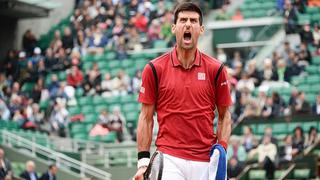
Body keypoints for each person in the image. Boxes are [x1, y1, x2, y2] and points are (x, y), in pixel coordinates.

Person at [134, 2, 232, 180]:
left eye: (193, 21)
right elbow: (146, 117)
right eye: (183, 20)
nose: (188, 24)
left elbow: (225, 116)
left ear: (201, 29)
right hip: (169, 158)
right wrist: (143, 162)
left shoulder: (216, 69)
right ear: (174, 28)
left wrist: (222, 151)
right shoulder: (154, 69)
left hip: (205, 160)